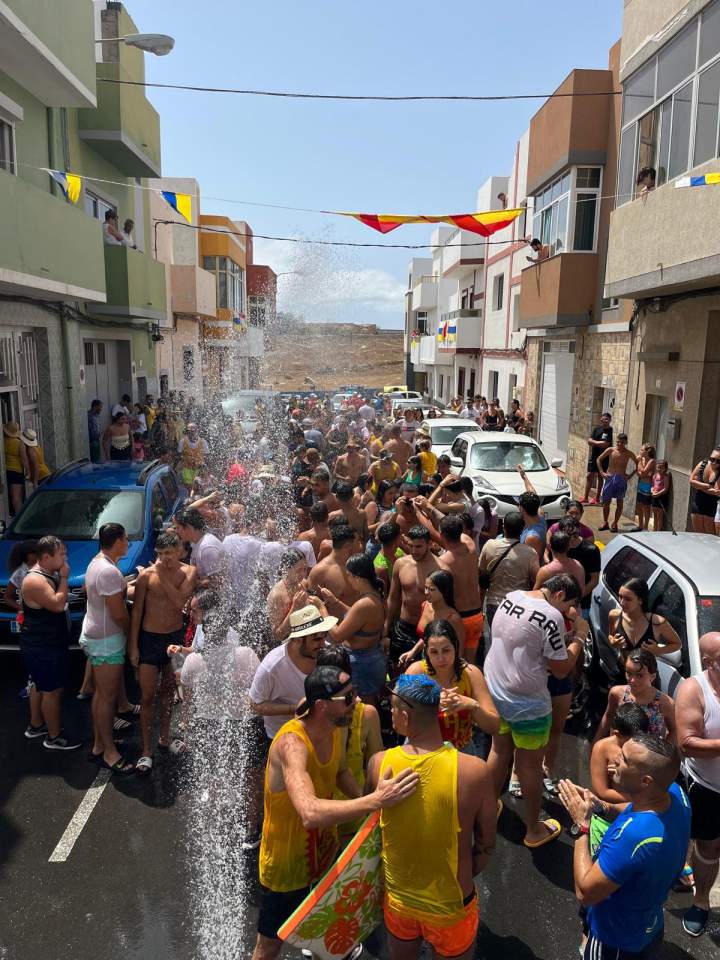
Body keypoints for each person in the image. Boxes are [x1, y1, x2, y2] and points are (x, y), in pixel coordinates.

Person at [252, 665, 419, 960]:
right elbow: (309, 812)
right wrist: (376, 801)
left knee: (326, 940)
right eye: (348, 697)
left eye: (354, 693)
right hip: (287, 867)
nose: (356, 701)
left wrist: (368, 807)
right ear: (321, 706)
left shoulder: (335, 727)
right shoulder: (292, 745)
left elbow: (340, 772)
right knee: (269, 947)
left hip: (325, 856)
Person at [365, 673, 497, 960]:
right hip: (452, 906)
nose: (390, 714)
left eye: (392, 709)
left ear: (404, 717)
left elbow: (370, 832)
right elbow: (486, 843)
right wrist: (465, 872)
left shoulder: (378, 764)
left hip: (399, 901)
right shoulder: (475, 771)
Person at [559, 735, 690, 960]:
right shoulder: (674, 793)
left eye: (625, 759)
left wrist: (581, 826)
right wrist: (601, 807)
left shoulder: (634, 838)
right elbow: (636, 806)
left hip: (616, 941)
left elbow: (585, 893)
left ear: (645, 781)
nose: (615, 760)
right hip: (649, 922)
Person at [484, 574, 585, 847]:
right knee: (529, 766)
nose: (567, 612)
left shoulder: (512, 597)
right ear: (560, 594)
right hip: (526, 703)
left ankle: (487, 807)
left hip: (496, 689)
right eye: (568, 605)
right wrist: (579, 638)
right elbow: (561, 668)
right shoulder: (550, 616)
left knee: (499, 751)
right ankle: (534, 829)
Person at [181, 608, 263, 849]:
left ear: (205, 633)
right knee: (250, 776)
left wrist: (187, 727)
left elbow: (188, 699)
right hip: (243, 722)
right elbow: (260, 689)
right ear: (228, 632)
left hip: (208, 723)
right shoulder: (246, 654)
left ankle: (216, 828)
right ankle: (252, 829)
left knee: (214, 773)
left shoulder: (193, 660)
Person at [129, 530, 197, 774]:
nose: (165, 559)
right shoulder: (146, 576)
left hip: (174, 638)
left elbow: (179, 602)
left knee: (169, 692)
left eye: (169, 553)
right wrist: (133, 646)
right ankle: (146, 750)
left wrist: (160, 573)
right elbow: (137, 611)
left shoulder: (188, 572)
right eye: (160, 554)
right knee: (147, 696)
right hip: (149, 639)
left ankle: (165, 738)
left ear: (179, 551)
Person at [80, 523, 135, 774]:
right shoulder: (108, 571)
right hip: (106, 641)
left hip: (97, 636)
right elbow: (118, 614)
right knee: (107, 698)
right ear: (118, 541)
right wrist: (132, 632)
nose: (128, 543)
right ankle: (109, 752)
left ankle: (100, 744)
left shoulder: (97, 563)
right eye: (126, 539)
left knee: (101, 695)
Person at [675, 632, 720, 937]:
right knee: (708, 845)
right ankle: (701, 901)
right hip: (709, 788)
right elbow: (687, 744)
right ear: (708, 662)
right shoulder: (694, 689)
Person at [19, 536, 80, 750]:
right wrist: (64, 578)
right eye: (61, 554)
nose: (65, 558)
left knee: (39, 684)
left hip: (46, 642)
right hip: (43, 645)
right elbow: (56, 604)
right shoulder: (35, 581)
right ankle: (54, 737)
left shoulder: (46, 574)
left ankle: (36, 725)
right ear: (46, 557)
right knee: (52, 690)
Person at [317, 645, 384, 839]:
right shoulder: (311, 712)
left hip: (348, 813)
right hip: (328, 814)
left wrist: (368, 804)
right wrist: (368, 804)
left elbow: (375, 766)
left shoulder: (366, 714)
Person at [405, 619, 499, 752]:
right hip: (422, 749)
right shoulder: (416, 672)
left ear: (455, 647)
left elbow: (494, 726)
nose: (441, 658)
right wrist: (430, 704)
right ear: (426, 651)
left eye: (446, 650)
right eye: (434, 652)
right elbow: (399, 719)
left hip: (461, 751)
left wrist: (471, 705)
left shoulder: (471, 674)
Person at [249, 604, 337, 743]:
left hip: (323, 732)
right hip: (284, 738)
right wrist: (295, 709)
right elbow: (254, 705)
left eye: (324, 636)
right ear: (297, 639)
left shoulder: (329, 654)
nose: (322, 644)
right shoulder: (272, 667)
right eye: (316, 639)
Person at [323, 553, 387, 706]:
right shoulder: (375, 595)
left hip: (362, 664)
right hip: (371, 658)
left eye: (349, 575)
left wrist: (321, 610)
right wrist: (335, 601)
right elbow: (358, 617)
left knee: (362, 708)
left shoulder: (364, 604)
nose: (347, 579)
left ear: (358, 578)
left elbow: (337, 636)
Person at [589, 702, 650, 854]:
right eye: (632, 740)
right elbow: (601, 792)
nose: (638, 744)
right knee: (603, 856)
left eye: (641, 738)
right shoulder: (602, 748)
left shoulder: (646, 747)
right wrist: (638, 799)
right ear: (617, 734)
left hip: (638, 816)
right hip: (609, 817)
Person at [385, 526, 439, 671]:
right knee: (397, 670)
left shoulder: (440, 569)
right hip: (403, 627)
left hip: (428, 631)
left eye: (419, 546)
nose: (414, 550)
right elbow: (393, 598)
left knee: (424, 675)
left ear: (429, 544)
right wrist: (386, 627)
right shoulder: (400, 564)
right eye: (411, 546)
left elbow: (444, 607)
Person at [595, 649, 676, 742]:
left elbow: (674, 731)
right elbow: (608, 717)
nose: (632, 680)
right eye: (629, 673)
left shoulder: (665, 703)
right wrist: (595, 743)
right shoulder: (617, 694)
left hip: (647, 751)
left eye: (639, 675)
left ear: (652, 676)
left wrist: (665, 750)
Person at [479, 510, 539, 630]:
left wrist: (480, 606)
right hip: (518, 608)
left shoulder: (489, 545)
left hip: (494, 605)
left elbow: (482, 577)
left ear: (503, 527)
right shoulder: (531, 553)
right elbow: (537, 579)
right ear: (522, 530)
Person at [437, 514, 484, 665]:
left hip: (459, 619)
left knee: (455, 664)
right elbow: (454, 528)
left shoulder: (443, 562)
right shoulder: (470, 544)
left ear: (442, 535)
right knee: (469, 665)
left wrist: (422, 511)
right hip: (476, 615)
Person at [606, 577, 681, 666]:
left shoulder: (657, 622)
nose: (621, 602)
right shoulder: (614, 615)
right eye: (620, 597)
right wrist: (613, 642)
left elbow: (677, 644)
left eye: (628, 599)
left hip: (647, 673)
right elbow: (611, 636)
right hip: (621, 668)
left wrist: (659, 650)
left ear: (640, 600)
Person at [307, 524, 360, 607]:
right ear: (347, 546)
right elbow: (311, 604)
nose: (360, 545)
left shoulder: (359, 563)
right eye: (358, 541)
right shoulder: (320, 572)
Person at [266, 548, 310, 643]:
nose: (303, 574)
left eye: (305, 569)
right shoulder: (276, 595)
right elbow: (277, 635)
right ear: (286, 569)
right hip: (289, 644)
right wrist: (295, 608)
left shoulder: (303, 584)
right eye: (298, 570)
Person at [174, 507, 224, 588]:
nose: (176, 531)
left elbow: (218, 582)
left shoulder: (207, 547)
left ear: (188, 527)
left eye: (178, 527)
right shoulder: (196, 543)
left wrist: (193, 583)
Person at [597, 433, 638, 533]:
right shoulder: (611, 450)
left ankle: (615, 523)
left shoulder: (629, 453)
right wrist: (602, 472)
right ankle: (605, 522)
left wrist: (630, 475)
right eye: (618, 442)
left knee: (619, 502)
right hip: (610, 478)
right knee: (606, 502)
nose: (620, 444)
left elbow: (638, 464)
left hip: (621, 479)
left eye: (622, 442)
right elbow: (598, 459)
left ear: (626, 442)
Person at [563, 517, 602, 621]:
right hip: (559, 602)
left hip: (582, 604)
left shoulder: (591, 550)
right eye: (568, 535)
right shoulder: (559, 547)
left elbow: (594, 579)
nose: (572, 538)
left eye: (575, 535)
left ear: (579, 530)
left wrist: (576, 598)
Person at [583, 413, 613, 505]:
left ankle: (597, 499)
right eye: (603, 419)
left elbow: (606, 444)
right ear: (601, 419)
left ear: (610, 420)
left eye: (606, 419)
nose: (604, 420)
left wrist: (594, 442)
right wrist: (599, 443)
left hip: (604, 458)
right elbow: (589, 441)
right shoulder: (597, 429)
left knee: (600, 477)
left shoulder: (611, 431)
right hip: (594, 457)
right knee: (589, 476)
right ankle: (585, 498)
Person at [689, 449, 720, 534]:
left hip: (712, 507)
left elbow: (717, 492)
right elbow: (691, 481)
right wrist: (708, 486)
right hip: (698, 504)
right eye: (712, 459)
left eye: (718, 461)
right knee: (698, 535)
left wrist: (699, 485)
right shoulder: (703, 464)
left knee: (710, 537)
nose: (714, 463)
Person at [3, 539, 38, 613]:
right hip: (29, 616)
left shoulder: (45, 567)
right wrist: (22, 608)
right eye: (34, 553)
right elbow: (7, 597)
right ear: (27, 555)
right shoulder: (20, 573)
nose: (38, 555)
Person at [373, 520, 405, 592]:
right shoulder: (380, 567)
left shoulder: (398, 550)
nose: (403, 536)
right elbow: (383, 594)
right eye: (401, 534)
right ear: (396, 540)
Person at [3, 421, 28, 515]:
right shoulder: (19, 443)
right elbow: (24, 459)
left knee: (10, 495)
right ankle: (19, 517)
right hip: (17, 472)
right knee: (17, 496)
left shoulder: (3, 441)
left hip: (6, 470)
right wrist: (28, 472)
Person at [177, 423, 209, 488]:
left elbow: (207, 456)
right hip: (186, 469)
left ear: (197, 431)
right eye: (189, 431)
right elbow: (179, 454)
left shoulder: (203, 442)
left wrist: (205, 469)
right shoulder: (182, 441)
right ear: (187, 432)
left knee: (198, 487)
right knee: (188, 487)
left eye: (193, 431)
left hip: (199, 470)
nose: (191, 433)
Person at [635, 443, 656, 531]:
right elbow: (639, 474)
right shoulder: (643, 460)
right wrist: (643, 473)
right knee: (638, 505)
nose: (640, 451)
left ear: (648, 451)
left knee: (646, 507)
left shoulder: (652, 461)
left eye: (642, 450)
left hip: (647, 486)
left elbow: (643, 472)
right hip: (641, 484)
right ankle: (640, 525)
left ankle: (645, 527)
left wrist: (639, 461)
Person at [651, 460, 671, 531]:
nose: (659, 469)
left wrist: (657, 494)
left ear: (665, 468)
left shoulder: (665, 477)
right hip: (655, 497)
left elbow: (665, 489)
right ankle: (654, 530)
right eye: (658, 467)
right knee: (655, 515)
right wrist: (652, 491)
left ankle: (659, 531)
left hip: (662, 497)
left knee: (660, 516)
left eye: (661, 468)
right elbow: (652, 485)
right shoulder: (655, 476)